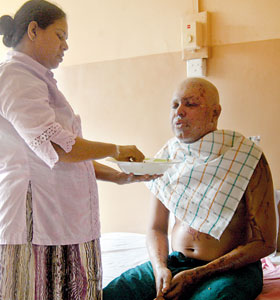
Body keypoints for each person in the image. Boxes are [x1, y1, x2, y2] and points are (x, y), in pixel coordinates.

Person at [0, 1, 159, 299]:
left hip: (58, 217)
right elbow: (57, 146)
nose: (66, 45)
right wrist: (116, 149)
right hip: (35, 220)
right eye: (60, 35)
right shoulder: (14, 77)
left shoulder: (36, 80)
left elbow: (63, 154)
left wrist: (118, 177)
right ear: (34, 30)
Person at [103, 77, 277, 300]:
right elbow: (156, 228)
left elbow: (265, 243)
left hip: (231, 270)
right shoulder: (167, 156)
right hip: (176, 263)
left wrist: (196, 275)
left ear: (215, 113)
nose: (179, 112)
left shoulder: (246, 157)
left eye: (190, 104)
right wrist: (160, 269)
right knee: (112, 294)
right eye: (175, 105)